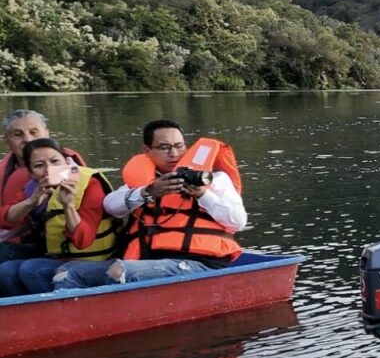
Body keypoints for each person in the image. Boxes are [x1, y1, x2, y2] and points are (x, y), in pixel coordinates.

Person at [54, 120, 246, 289]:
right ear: (147, 151)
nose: (174, 153)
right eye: (164, 147)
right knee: (68, 271)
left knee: (120, 270)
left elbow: (238, 221)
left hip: (199, 263)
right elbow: (110, 206)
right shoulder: (142, 180)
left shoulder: (216, 179)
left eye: (179, 146)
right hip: (148, 261)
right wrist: (147, 192)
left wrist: (203, 195)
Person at [0, 139, 118, 296]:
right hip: (55, 255)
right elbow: (6, 220)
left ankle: (56, 313)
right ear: (31, 172)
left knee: (30, 270)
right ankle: (22, 313)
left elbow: (84, 241)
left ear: (67, 161)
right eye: (39, 165)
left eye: (55, 161)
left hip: (90, 261)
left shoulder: (90, 183)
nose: (49, 169)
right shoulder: (33, 186)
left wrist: (68, 205)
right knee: (5, 271)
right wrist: (32, 201)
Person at [1, 109, 86, 266]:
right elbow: (5, 219)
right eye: (18, 134)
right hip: (18, 241)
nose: (27, 139)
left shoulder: (66, 164)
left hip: (63, 245)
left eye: (34, 132)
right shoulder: (6, 170)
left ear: (47, 133)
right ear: (7, 140)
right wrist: (32, 200)